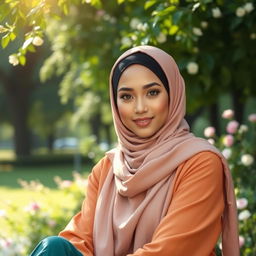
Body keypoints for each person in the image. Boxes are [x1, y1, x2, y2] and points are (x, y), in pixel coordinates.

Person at [29, 45, 239, 256]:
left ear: (172, 94)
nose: (139, 108)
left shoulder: (201, 162)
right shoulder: (108, 169)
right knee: (54, 248)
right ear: (115, 103)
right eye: (127, 97)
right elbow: (80, 240)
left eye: (152, 92)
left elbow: (172, 251)